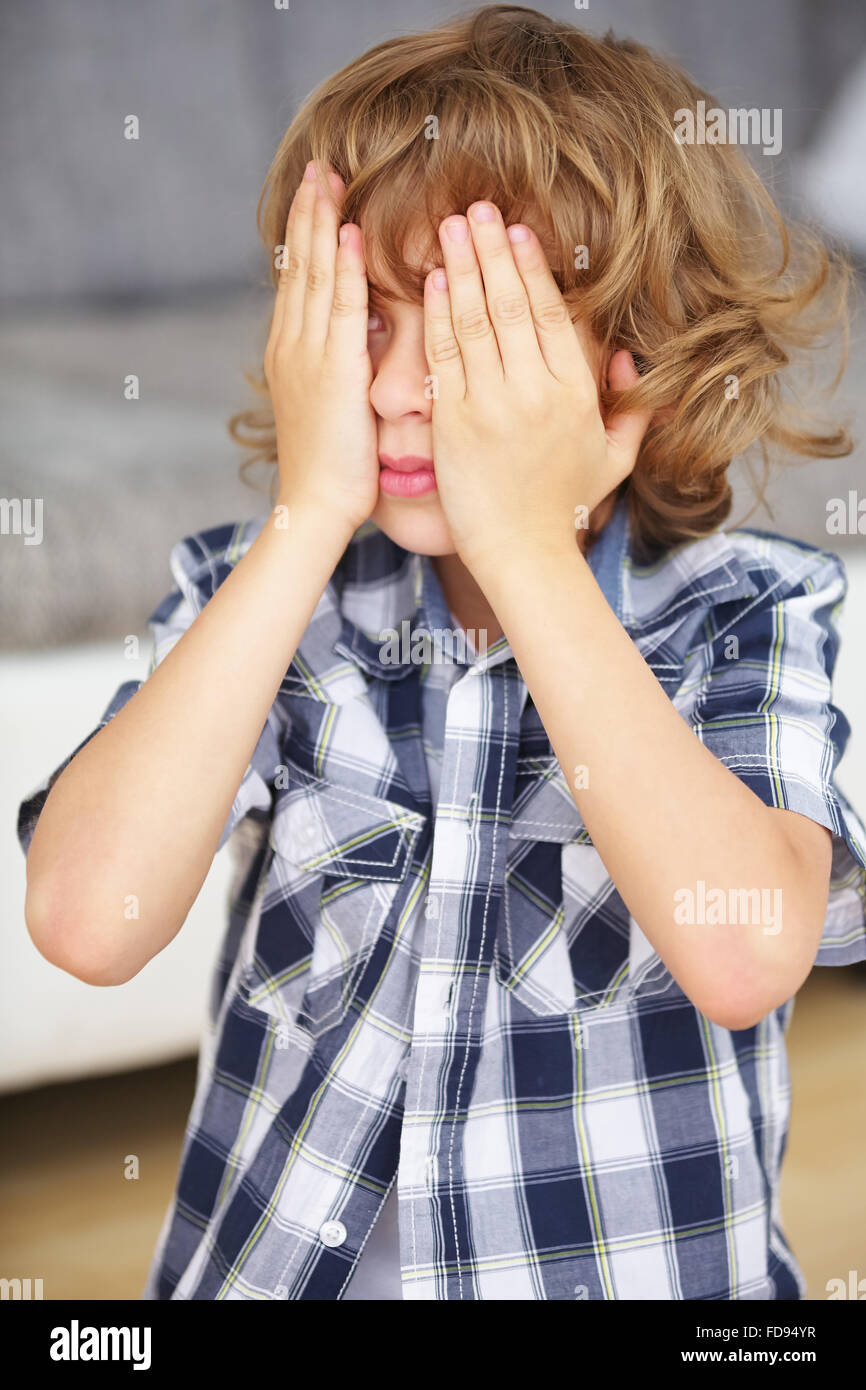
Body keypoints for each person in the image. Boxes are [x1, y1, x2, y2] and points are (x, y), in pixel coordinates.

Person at [17, 5, 866, 1300]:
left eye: (469, 329)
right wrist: (301, 520)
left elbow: (742, 953)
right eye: (359, 319)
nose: (400, 384)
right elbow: (85, 922)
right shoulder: (261, 605)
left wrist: (524, 544)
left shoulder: (745, 615)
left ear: (633, 365)